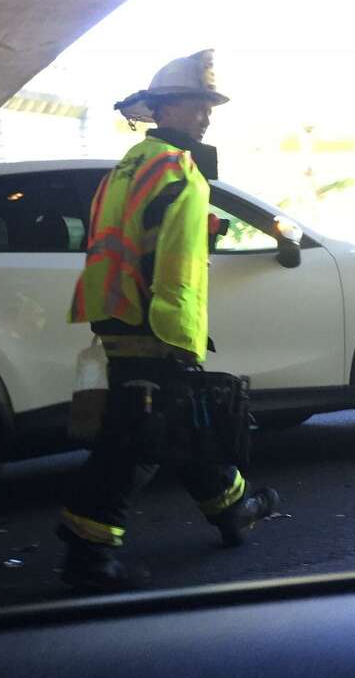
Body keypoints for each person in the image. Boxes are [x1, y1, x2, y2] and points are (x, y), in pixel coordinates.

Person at [57, 49, 281, 591]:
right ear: (162, 109)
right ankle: (88, 553)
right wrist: (180, 335)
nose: (205, 116)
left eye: (208, 106)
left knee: (177, 424)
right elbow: (174, 264)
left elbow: (140, 238)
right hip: (153, 322)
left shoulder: (130, 165)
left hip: (117, 312)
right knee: (136, 441)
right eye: (193, 105)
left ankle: (233, 509)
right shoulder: (179, 171)